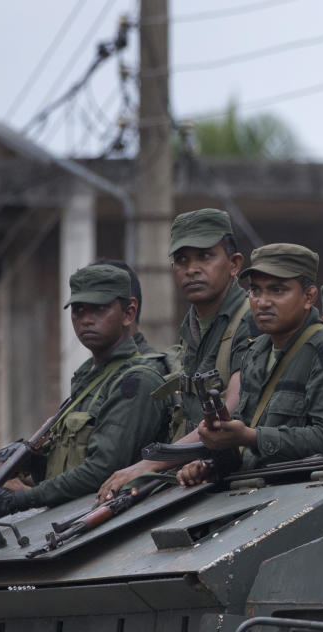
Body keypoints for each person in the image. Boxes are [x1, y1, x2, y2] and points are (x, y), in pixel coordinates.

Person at [0, 264, 169, 523]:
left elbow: (101, 469)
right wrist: (29, 461)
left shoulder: (136, 380)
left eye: (99, 308)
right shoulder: (91, 379)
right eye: (78, 310)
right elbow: (68, 464)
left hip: (110, 524)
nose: (86, 319)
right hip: (70, 520)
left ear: (128, 313)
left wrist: (20, 500)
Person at [96, 208, 257, 499]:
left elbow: (227, 413)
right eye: (181, 260)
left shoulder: (250, 320)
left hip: (241, 478)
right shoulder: (192, 326)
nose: (191, 269)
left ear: (234, 264)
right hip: (195, 471)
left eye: (205, 256)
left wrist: (146, 466)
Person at [177, 243, 323, 484]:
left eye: (277, 290)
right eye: (255, 291)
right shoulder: (257, 350)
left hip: (300, 499)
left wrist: (251, 437)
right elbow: (245, 438)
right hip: (251, 495)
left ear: (309, 297)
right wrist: (211, 462)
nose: (262, 302)